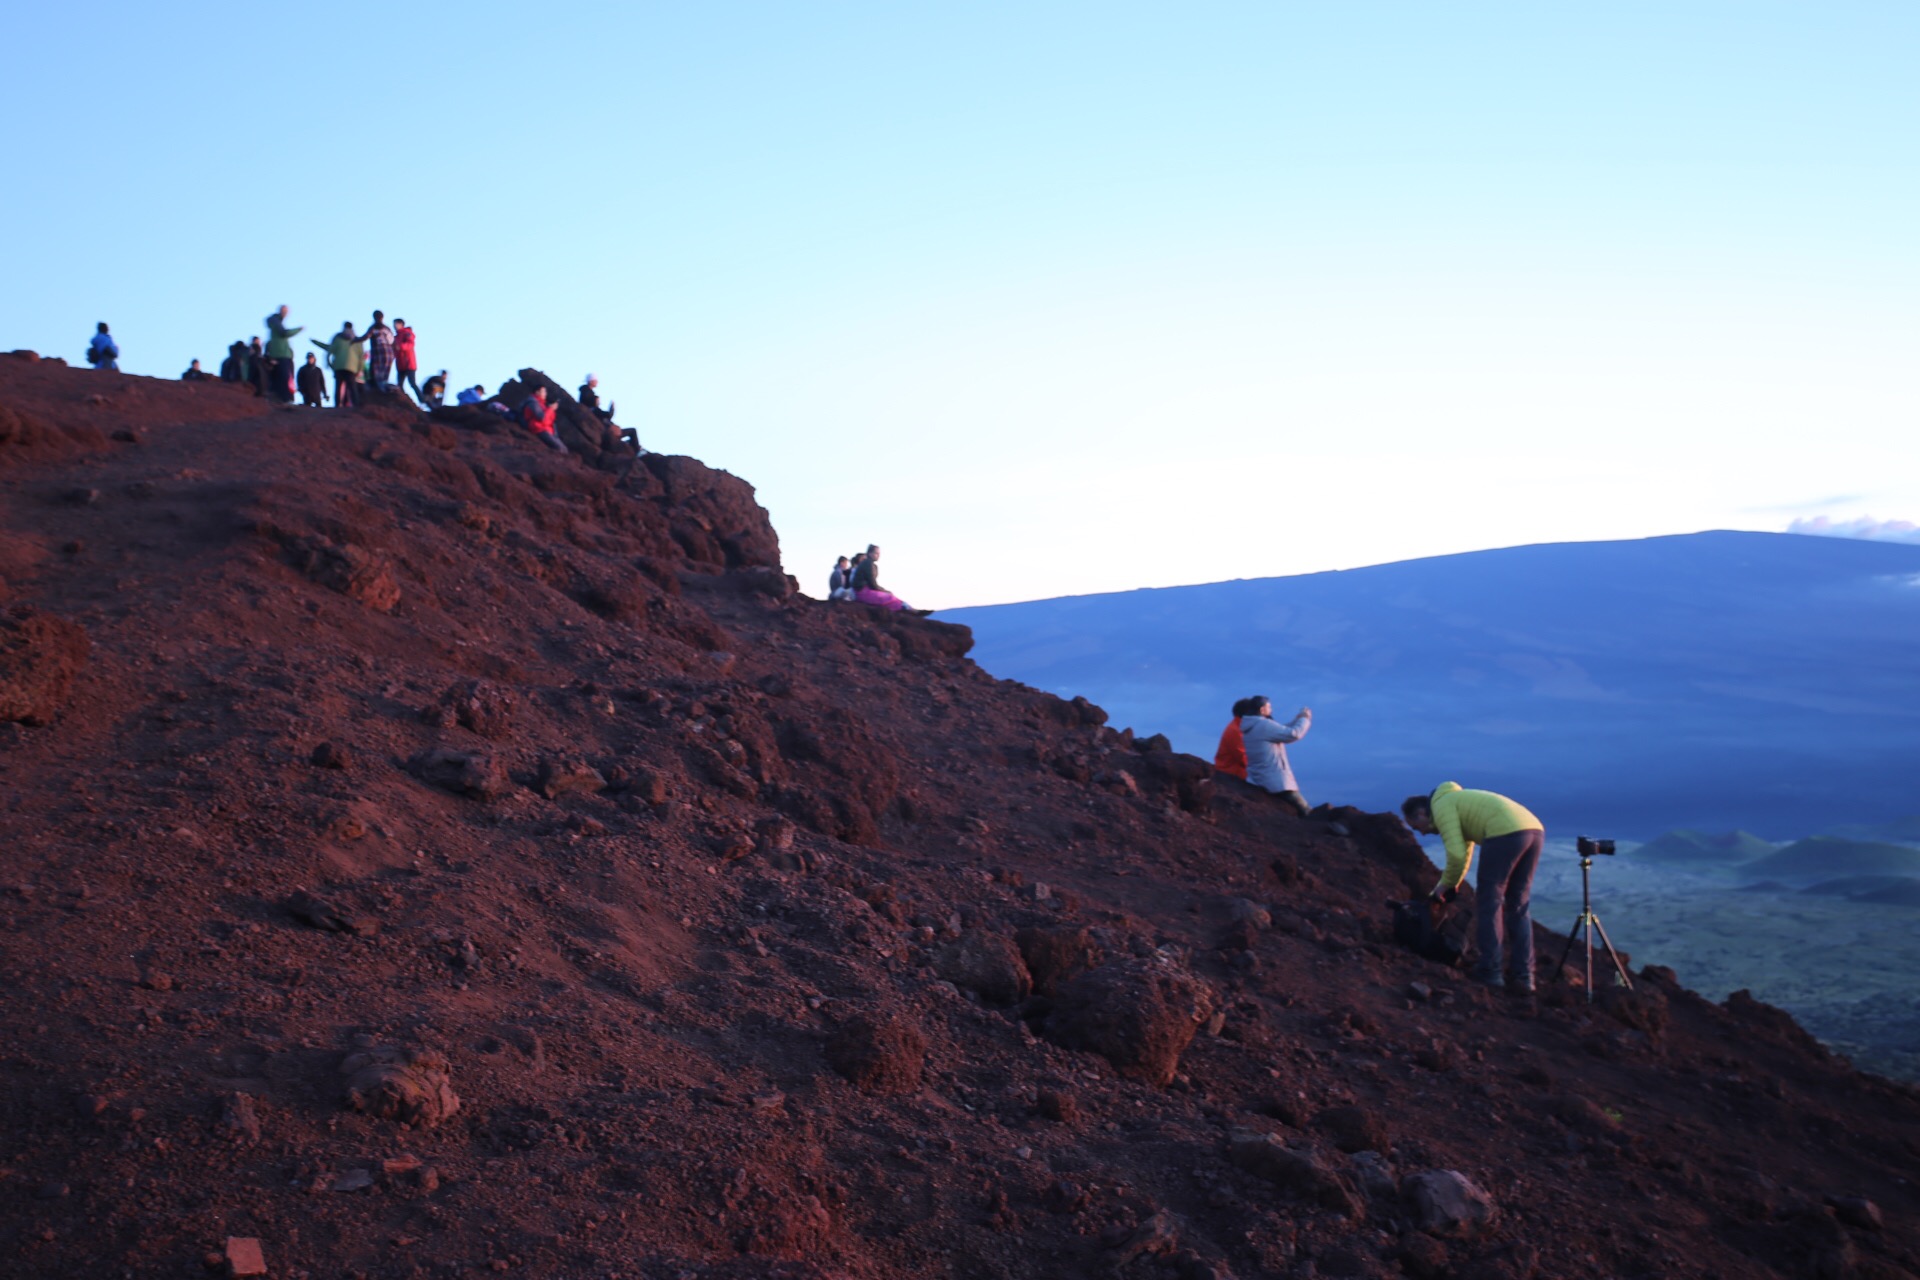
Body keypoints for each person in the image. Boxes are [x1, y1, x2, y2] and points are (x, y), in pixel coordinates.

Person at [1402, 783, 1545, 995]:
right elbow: (1466, 851)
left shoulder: (1441, 807)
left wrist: (1443, 885)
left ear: (1422, 812)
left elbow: (1457, 855)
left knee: (1490, 899)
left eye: (1416, 826)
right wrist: (1451, 884)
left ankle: (1491, 971)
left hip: (1504, 832)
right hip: (1533, 831)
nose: (1421, 834)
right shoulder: (1457, 802)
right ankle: (1524, 976)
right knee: (1518, 904)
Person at [1239, 698, 1312, 816]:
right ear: (1262, 710)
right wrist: (1305, 719)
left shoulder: (1251, 726)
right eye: (1269, 707)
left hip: (1259, 779)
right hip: (1276, 782)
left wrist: (1297, 719)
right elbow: (1293, 734)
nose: (1271, 710)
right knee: (1307, 812)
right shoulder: (1263, 725)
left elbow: (1279, 730)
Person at [850, 544, 931, 614]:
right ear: (870, 553)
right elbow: (872, 584)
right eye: (876, 553)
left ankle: (912, 609)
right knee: (889, 597)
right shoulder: (867, 563)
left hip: (863, 591)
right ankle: (911, 610)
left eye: (879, 553)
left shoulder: (870, 564)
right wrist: (884, 590)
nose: (878, 555)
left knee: (890, 596)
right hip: (862, 593)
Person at [313, 323, 363, 408]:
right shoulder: (357, 340)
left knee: (338, 387)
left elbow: (329, 350)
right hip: (351, 368)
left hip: (338, 367)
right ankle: (356, 406)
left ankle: (337, 406)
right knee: (352, 388)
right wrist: (359, 369)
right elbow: (361, 356)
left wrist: (329, 364)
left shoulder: (337, 338)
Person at [1214, 696, 1260, 780]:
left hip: (1235, 774)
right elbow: (1243, 759)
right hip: (1230, 775)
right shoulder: (1235, 731)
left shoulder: (1240, 728)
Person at [263, 305, 302, 402]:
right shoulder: (276, 322)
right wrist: (298, 329)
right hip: (282, 355)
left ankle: (279, 398)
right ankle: (286, 399)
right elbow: (284, 333)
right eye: (284, 311)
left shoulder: (274, 323)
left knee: (279, 378)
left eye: (286, 311)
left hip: (278, 354)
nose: (285, 314)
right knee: (284, 378)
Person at [518, 386, 568, 453]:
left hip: (548, 430)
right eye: (543, 391)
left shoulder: (542, 404)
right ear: (537, 392)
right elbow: (541, 418)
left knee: (564, 449)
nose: (545, 394)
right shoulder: (532, 403)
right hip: (539, 429)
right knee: (560, 449)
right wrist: (551, 409)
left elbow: (550, 419)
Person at [363, 311, 395, 392]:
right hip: (388, 353)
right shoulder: (386, 328)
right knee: (384, 373)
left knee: (376, 372)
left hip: (378, 353)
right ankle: (384, 388)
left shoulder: (373, 328)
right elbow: (392, 341)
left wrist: (354, 340)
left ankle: (381, 390)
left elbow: (365, 337)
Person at [393, 319, 422, 401]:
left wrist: (401, 347)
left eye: (396, 324)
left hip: (409, 363)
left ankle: (422, 399)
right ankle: (404, 400)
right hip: (400, 365)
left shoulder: (407, 333)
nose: (394, 326)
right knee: (400, 385)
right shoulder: (396, 337)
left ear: (401, 324)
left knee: (412, 383)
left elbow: (410, 344)